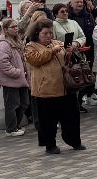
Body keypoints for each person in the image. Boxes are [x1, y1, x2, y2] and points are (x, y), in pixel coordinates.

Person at [24, 19, 84, 153]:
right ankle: (50, 145)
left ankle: (75, 141)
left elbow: (68, 59)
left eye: (50, 33)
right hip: (46, 89)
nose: (48, 36)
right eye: (45, 34)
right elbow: (36, 60)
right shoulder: (30, 46)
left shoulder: (57, 43)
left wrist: (69, 51)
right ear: (37, 33)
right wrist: (51, 51)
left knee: (71, 117)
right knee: (48, 121)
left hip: (65, 87)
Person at [0, 17, 30, 136]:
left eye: (16, 26)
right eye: (13, 27)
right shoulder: (4, 44)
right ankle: (11, 128)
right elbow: (3, 63)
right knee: (12, 104)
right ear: (5, 29)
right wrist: (17, 72)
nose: (16, 29)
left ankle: (16, 125)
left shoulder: (17, 40)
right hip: (12, 79)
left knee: (24, 103)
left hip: (22, 78)